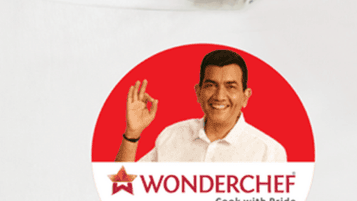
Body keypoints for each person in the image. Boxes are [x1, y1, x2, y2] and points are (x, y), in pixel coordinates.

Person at [114, 49, 287, 163]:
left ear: (245, 96)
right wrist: (132, 134)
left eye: (230, 86)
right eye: (211, 85)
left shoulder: (269, 152)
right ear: (198, 92)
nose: (219, 96)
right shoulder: (172, 136)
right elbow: (120, 189)